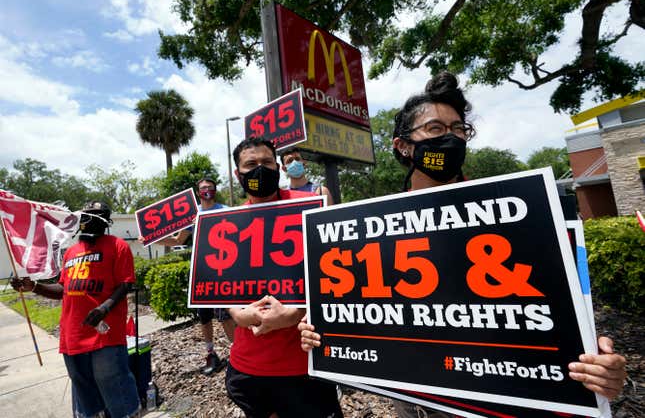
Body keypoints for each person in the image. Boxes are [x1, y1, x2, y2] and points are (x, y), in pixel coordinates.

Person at [299, 72, 628, 418]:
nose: (451, 138)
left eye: (459, 129)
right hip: (410, 400)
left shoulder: (519, 213)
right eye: (436, 130)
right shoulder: (371, 230)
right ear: (403, 146)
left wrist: (596, 355)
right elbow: (359, 311)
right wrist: (322, 332)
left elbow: (564, 302)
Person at [225, 137, 343, 418]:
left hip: (305, 365)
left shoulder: (310, 206)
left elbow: (335, 271)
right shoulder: (229, 222)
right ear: (237, 174)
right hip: (248, 368)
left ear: (278, 167)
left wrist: (295, 313)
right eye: (250, 164)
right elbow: (221, 286)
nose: (259, 170)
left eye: (266, 163)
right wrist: (236, 314)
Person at [11, 201, 141, 418]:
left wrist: (104, 307)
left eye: (93, 216)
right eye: (84, 216)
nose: (86, 221)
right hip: (73, 333)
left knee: (112, 381)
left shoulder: (118, 245)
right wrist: (33, 286)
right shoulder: (71, 251)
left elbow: (125, 284)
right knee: (82, 385)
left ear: (104, 221)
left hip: (104, 332)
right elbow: (63, 287)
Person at [140, 177, 234, 375]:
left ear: (215, 190)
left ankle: (238, 353)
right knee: (204, 318)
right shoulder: (192, 215)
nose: (206, 190)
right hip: (201, 271)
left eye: (209, 187)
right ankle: (210, 354)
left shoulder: (224, 210)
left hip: (222, 270)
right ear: (198, 192)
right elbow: (176, 241)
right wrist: (152, 239)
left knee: (226, 315)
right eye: (203, 188)